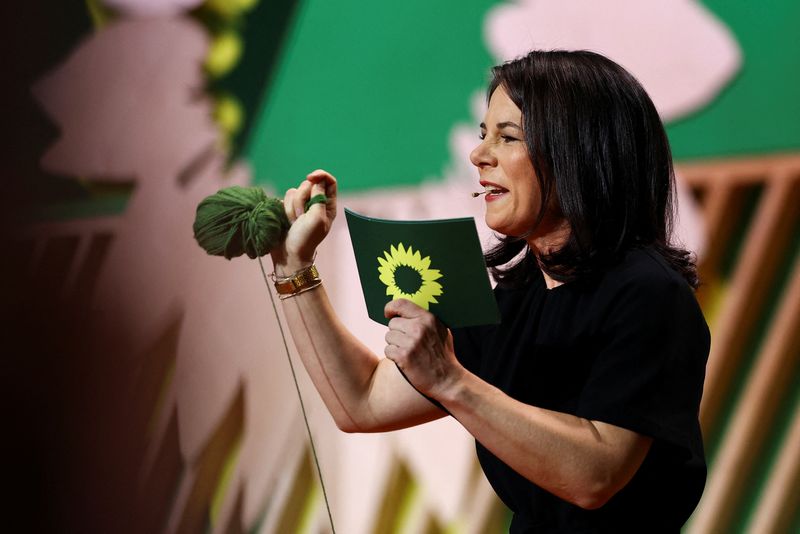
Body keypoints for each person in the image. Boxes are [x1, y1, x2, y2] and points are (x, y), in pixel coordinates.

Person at [270, 50, 710, 533]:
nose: (479, 155)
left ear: (578, 153)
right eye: (484, 136)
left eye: (508, 137)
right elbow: (363, 402)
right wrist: (295, 270)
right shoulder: (511, 301)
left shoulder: (647, 294)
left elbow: (595, 476)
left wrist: (451, 380)